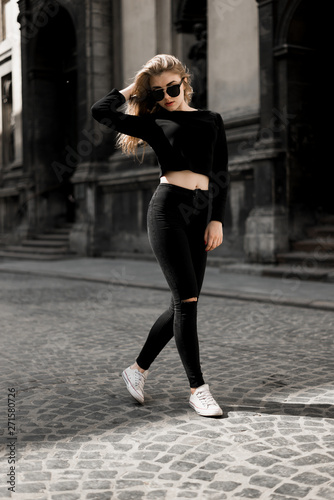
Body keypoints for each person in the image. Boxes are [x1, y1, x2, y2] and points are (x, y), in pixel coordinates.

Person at [91, 54, 229, 417]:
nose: (167, 96)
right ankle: (198, 388)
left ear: (184, 82)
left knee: (183, 302)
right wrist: (135, 89)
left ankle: (136, 371)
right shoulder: (154, 122)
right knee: (187, 303)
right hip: (167, 211)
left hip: (200, 215)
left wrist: (217, 220)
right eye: (158, 92)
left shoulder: (211, 120)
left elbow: (221, 173)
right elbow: (100, 111)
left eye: (172, 87)